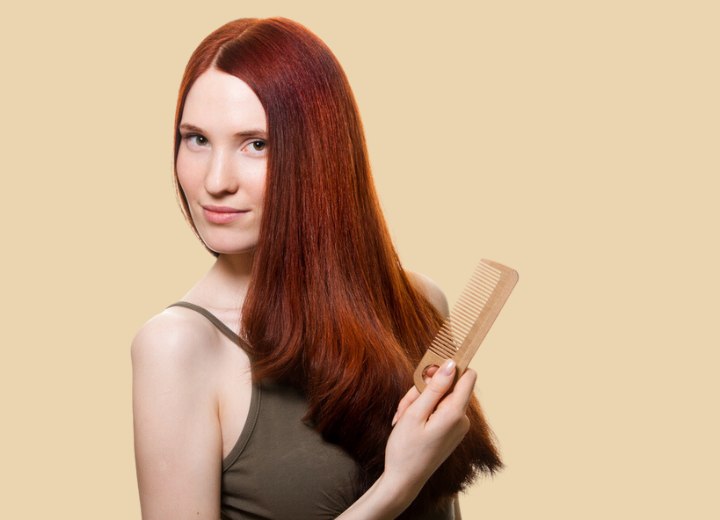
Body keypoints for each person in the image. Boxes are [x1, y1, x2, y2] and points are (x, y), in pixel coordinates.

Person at [132, 17, 501, 519]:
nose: (215, 181)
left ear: (322, 155)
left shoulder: (419, 305)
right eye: (196, 139)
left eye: (256, 144)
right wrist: (396, 485)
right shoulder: (177, 348)